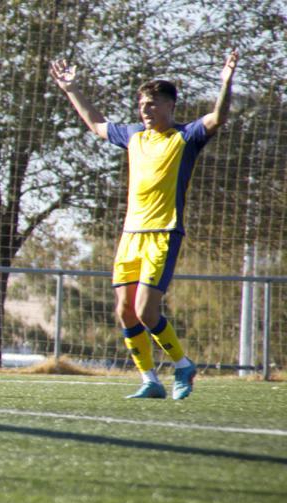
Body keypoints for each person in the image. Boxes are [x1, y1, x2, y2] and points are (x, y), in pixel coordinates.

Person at [50, 51, 238, 400]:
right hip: (130, 236)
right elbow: (96, 124)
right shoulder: (134, 136)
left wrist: (225, 82)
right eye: (142, 104)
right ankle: (150, 379)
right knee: (124, 310)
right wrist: (71, 89)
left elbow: (218, 117)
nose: (145, 110)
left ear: (170, 106)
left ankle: (182, 365)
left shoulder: (185, 137)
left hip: (163, 233)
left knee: (145, 311)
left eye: (152, 104)